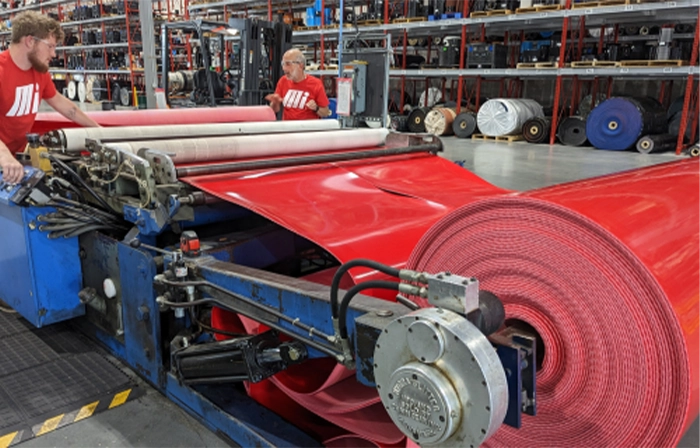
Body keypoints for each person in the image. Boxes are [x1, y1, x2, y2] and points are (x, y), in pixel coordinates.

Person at [0, 11, 100, 183]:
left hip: (14, 161)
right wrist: (5, 157)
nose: (54, 54)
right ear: (30, 41)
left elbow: (67, 108)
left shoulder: (39, 71)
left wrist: (101, 133)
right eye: (50, 46)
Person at [266, 48, 330, 120]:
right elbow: (275, 109)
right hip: (288, 128)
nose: (284, 68)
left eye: (288, 64)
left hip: (307, 129)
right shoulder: (283, 81)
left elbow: (325, 112)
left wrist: (316, 108)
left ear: (300, 65)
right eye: (283, 64)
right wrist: (275, 102)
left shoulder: (315, 83)